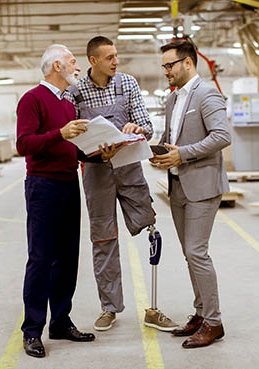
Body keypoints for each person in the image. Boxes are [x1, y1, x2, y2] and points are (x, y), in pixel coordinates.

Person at [65, 36, 177, 332]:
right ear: (93, 61)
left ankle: (153, 307)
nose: (116, 61)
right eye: (110, 57)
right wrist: (91, 149)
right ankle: (109, 308)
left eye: (116, 55)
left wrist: (136, 127)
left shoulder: (127, 83)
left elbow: (148, 125)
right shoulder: (75, 92)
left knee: (150, 228)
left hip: (128, 167)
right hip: (95, 172)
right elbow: (71, 138)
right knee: (103, 239)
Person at [16, 44, 121, 358]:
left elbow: (70, 148)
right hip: (42, 187)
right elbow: (23, 144)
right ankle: (32, 330)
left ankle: (60, 321)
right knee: (40, 259)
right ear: (56, 66)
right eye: (73, 62)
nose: (78, 67)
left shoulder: (66, 103)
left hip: (67, 184)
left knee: (66, 258)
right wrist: (59, 134)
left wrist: (100, 155)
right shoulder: (32, 99)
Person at [151, 39, 231, 349]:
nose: (165, 71)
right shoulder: (173, 100)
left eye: (170, 65)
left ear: (188, 63)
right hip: (177, 187)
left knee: (197, 252)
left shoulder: (207, 93)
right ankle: (200, 313)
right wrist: (156, 151)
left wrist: (183, 154)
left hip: (201, 185)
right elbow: (169, 137)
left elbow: (222, 135)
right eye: (163, 66)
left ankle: (214, 322)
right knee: (189, 254)